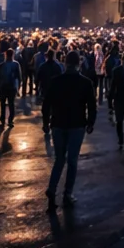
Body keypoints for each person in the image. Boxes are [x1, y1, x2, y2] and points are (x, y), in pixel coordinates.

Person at [41, 51, 97, 210]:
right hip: (76, 124)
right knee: (72, 160)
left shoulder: (56, 81)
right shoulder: (85, 83)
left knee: (59, 159)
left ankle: (52, 188)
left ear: (65, 63)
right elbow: (91, 106)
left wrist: (46, 122)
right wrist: (91, 123)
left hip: (58, 123)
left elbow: (46, 104)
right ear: (79, 63)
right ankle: (67, 194)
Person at [0, 48, 21, 130]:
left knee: (2, 104)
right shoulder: (16, 64)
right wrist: (18, 87)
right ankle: (10, 120)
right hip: (12, 87)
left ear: (5, 55)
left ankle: (2, 120)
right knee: (11, 103)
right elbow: (19, 76)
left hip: (3, 87)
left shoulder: (1, 65)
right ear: (13, 55)